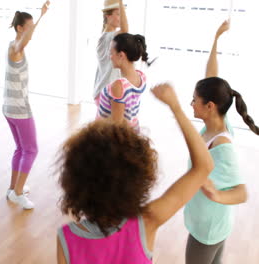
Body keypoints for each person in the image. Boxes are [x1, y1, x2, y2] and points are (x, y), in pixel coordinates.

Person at [57, 84, 214, 263]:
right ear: (137, 180)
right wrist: (175, 107)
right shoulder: (146, 222)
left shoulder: (66, 238)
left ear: (74, 182)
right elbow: (204, 166)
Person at [184, 20, 253, 264]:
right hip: (212, 224)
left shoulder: (223, 146)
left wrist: (215, 194)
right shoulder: (214, 124)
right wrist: (215, 39)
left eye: (194, 100)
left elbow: (242, 192)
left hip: (208, 230)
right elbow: (211, 77)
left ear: (209, 106)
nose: (191, 104)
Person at [3, 1, 50, 210]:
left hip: (9, 107)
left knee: (21, 148)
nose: (31, 32)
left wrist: (40, 17)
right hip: (19, 109)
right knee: (31, 149)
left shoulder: (14, 45)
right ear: (20, 28)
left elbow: (27, 38)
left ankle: (13, 188)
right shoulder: (15, 47)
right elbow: (26, 39)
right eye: (27, 27)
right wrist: (40, 17)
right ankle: (18, 193)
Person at [97, 32, 149, 131]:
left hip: (110, 138)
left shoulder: (119, 86)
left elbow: (117, 127)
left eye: (111, 53)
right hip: (133, 131)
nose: (110, 57)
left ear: (121, 55)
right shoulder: (141, 77)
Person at [93, 0, 128, 113]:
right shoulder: (107, 37)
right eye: (118, 14)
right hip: (106, 93)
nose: (120, 17)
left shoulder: (108, 37)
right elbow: (125, 30)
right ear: (108, 16)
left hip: (105, 92)